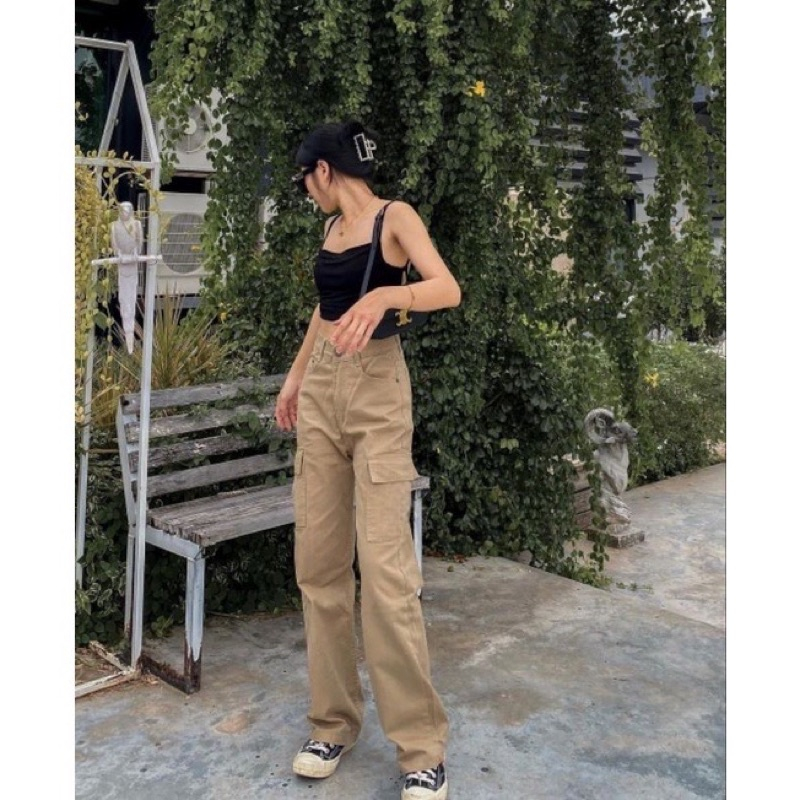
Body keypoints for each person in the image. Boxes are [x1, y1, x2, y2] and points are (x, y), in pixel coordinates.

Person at [274, 120, 461, 800]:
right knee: (319, 566)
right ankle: (332, 724)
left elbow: (447, 287)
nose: (307, 192)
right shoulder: (331, 231)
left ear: (323, 170)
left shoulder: (394, 217)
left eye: (306, 180)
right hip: (324, 388)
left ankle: (420, 748)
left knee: (385, 574)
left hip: (378, 391)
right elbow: (326, 313)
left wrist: (387, 293)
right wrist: (297, 376)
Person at [110, 201, 143, 354]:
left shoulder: (136, 224)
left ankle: (130, 336)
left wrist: (135, 253)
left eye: (128, 210)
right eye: (123, 210)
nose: (126, 213)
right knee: (124, 299)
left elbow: (139, 242)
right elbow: (114, 244)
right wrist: (119, 254)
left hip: (132, 262)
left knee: (131, 296)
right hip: (122, 262)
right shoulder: (114, 226)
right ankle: (128, 332)